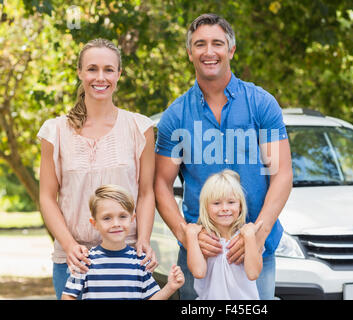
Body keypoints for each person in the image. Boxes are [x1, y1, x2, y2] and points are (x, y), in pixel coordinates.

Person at [154, 13, 293, 300]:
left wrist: (259, 234)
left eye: (217, 43)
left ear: (231, 50)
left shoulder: (261, 104)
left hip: (256, 253)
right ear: (190, 52)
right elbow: (161, 184)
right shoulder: (176, 115)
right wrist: (186, 234)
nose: (209, 52)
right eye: (200, 44)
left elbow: (282, 174)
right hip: (201, 255)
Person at [38, 38, 158, 299]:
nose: (100, 77)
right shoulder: (54, 131)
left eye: (108, 70)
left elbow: (146, 192)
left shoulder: (140, 128)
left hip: (126, 259)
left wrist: (144, 239)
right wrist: (69, 246)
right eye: (92, 69)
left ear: (119, 74)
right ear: (80, 72)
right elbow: (47, 197)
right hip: (74, 262)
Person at [61, 185, 184, 300]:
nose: (116, 224)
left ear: (132, 219)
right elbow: (68, 296)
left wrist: (170, 287)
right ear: (95, 224)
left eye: (122, 216)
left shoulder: (139, 262)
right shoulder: (86, 262)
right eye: (107, 218)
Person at [181, 170, 263, 300]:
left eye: (231, 202)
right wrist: (190, 235)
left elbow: (253, 273)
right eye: (216, 203)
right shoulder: (203, 239)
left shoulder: (247, 236)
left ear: (240, 206)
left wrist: (249, 237)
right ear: (206, 207)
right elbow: (198, 272)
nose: (224, 208)